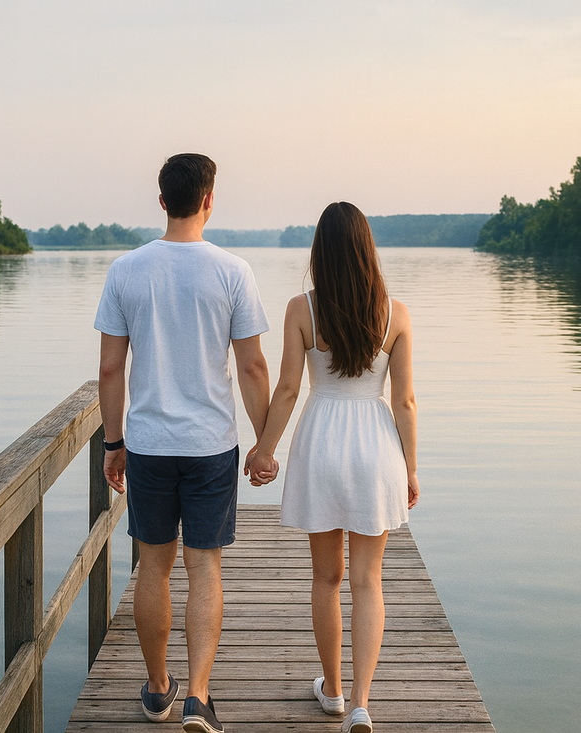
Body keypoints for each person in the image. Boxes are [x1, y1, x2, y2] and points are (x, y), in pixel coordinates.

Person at [94, 153, 273, 733]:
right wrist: (265, 440)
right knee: (205, 568)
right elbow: (251, 368)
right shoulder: (232, 272)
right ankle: (198, 696)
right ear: (209, 200)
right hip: (209, 445)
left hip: (147, 443)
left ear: (163, 201)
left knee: (153, 568)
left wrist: (113, 442)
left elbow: (110, 371)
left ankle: (157, 688)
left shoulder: (126, 270)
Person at [247, 201, 420, 733]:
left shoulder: (302, 309)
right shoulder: (396, 313)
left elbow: (289, 389)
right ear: (368, 249)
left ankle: (334, 691)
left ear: (319, 251)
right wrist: (411, 470)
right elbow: (405, 401)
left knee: (327, 578)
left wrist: (265, 450)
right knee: (368, 580)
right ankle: (363, 704)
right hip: (376, 447)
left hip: (322, 441)